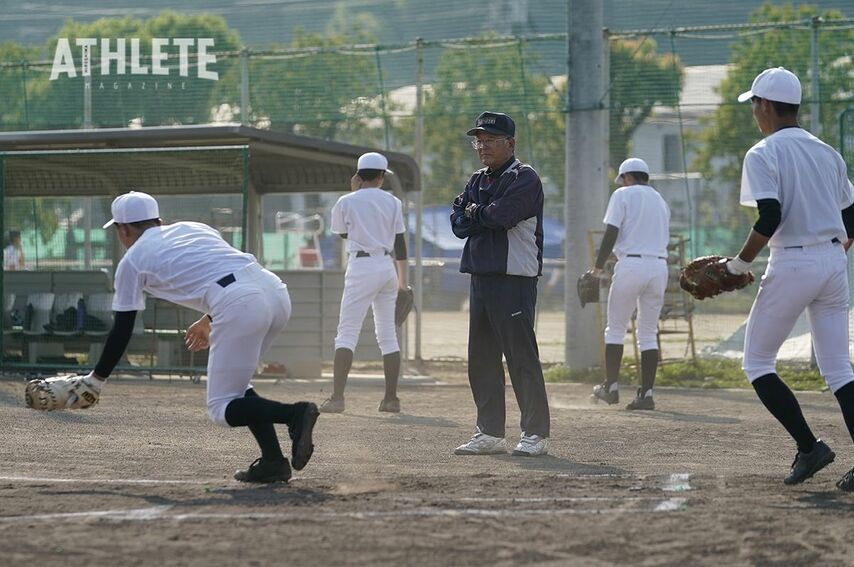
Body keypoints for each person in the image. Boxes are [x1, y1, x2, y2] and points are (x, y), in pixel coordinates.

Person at [81, 191, 319, 483]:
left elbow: (123, 327)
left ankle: (294, 414)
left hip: (239, 303)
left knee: (221, 408)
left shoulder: (132, 261)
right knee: (238, 385)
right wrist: (209, 318)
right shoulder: (192, 227)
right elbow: (225, 269)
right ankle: (273, 462)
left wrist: (96, 379)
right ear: (159, 221)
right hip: (274, 290)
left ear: (124, 229)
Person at [728, 67, 854, 490]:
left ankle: (810, 447)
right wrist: (833, 255)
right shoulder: (827, 152)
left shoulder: (762, 152)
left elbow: (770, 215)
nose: (754, 114)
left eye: (754, 105)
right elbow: (851, 214)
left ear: (765, 105)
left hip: (793, 261)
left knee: (757, 363)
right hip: (834, 262)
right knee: (839, 369)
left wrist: (739, 264)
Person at [450, 111, 551, 457]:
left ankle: (535, 434)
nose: (482, 146)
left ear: (511, 143)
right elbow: (458, 224)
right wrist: (480, 213)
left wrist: (476, 213)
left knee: (520, 357)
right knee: (481, 358)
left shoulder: (525, 178)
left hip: (514, 279)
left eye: (490, 140)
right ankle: (489, 432)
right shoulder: (478, 179)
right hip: (481, 275)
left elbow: (502, 216)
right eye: (479, 140)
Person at [320, 152, 409, 414]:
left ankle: (337, 398)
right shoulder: (393, 201)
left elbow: (345, 233)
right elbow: (401, 244)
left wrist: (353, 192)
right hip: (386, 266)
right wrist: (404, 284)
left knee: (347, 331)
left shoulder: (346, 201)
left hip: (360, 266)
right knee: (388, 334)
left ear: (359, 175)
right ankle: (391, 399)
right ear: (382, 176)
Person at [589, 157, 671, 410]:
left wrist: (597, 267)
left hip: (632, 266)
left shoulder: (623, 194)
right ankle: (646, 394)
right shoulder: (660, 200)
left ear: (627, 177)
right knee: (648, 333)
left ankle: (611, 387)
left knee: (615, 329)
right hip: (659, 267)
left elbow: (612, 232)